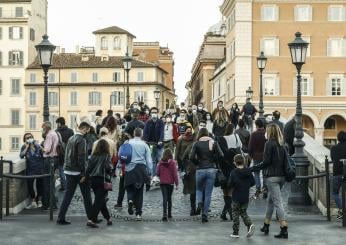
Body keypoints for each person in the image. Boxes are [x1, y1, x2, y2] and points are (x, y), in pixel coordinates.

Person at [253, 124, 288, 239]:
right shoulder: (282, 144)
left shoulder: (269, 143)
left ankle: (284, 229)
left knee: (277, 202)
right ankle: (266, 225)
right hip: (281, 177)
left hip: (272, 177)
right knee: (271, 201)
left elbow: (266, 161)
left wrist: (254, 168)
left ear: (269, 132)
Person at [57, 122, 94, 227]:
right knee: (87, 196)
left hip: (68, 170)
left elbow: (67, 153)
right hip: (78, 172)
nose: (88, 132)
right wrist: (83, 174)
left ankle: (61, 217)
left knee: (68, 196)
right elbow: (81, 158)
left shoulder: (71, 138)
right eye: (87, 130)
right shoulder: (82, 140)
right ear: (85, 129)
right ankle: (91, 218)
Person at [189, 128, 219, 223]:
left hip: (200, 169)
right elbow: (220, 155)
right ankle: (205, 215)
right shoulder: (213, 143)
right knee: (208, 194)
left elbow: (191, 157)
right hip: (211, 169)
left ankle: (199, 203)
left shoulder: (196, 144)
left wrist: (197, 163)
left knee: (199, 189)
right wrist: (213, 160)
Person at [124, 128, 153, 221]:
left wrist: (120, 167)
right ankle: (138, 214)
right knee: (140, 192)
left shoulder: (127, 143)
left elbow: (122, 155)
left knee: (129, 188)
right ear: (141, 134)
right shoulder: (144, 145)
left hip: (129, 169)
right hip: (140, 169)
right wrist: (150, 172)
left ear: (133, 133)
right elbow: (149, 160)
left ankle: (130, 201)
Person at [216, 124, 241, 221]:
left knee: (225, 192)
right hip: (232, 166)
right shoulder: (235, 137)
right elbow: (240, 149)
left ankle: (226, 213)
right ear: (233, 129)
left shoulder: (220, 139)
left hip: (223, 167)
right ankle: (227, 213)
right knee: (230, 193)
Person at [86, 139, 113, 227]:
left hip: (93, 180)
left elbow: (88, 168)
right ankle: (91, 219)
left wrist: (86, 178)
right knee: (98, 200)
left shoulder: (93, 156)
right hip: (103, 180)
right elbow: (108, 168)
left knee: (100, 200)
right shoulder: (106, 155)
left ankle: (108, 218)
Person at [229, 154, 256, 238]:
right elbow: (253, 182)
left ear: (235, 163)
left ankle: (235, 232)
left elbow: (230, 184)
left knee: (235, 214)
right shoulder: (248, 171)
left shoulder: (233, 172)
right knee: (243, 212)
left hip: (236, 196)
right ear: (244, 162)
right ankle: (249, 225)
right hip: (245, 196)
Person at [20, 133, 44, 209]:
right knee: (30, 185)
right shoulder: (24, 147)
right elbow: (21, 156)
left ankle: (39, 201)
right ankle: (33, 201)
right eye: (27, 138)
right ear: (25, 140)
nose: (29, 138)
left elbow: (44, 152)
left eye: (30, 137)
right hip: (30, 169)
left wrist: (38, 145)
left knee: (40, 185)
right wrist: (26, 147)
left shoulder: (37, 145)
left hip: (39, 168)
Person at [156, 149, 179, 221]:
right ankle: (169, 214)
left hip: (163, 183)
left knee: (164, 198)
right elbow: (175, 174)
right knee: (169, 198)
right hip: (170, 183)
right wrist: (177, 184)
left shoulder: (160, 162)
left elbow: (157, 173)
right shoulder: (173, 163)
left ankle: (164, 214)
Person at [41, 121, 59, 210]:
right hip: (54, 159)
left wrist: (41, 149)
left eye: (43, 128)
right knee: (51, 183)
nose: (42, 129)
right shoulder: (55, 133)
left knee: (47, 183)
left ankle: (47, 204)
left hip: (49, 159)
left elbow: (47, 150)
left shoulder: (49, 135)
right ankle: (53, 204)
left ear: (45, 128)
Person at [143, 107, 164, 176]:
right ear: (150, 114)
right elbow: (145, 132)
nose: (154, 114)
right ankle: (153, 175)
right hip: (151, 144)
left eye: (155, 112)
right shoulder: (148, 122)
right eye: (152, 112)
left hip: (159, 144)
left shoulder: (160, 122)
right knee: (153, 160)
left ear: (157, 113)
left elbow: (162, 132)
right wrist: (145, 140)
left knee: (160, 159)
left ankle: (160, 174)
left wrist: (160, 140)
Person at [248, 119, 267, 197]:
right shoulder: (266, 133)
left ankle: (258, 189)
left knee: (256, 173)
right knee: (265, 173)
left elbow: (250, 147)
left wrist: (251, 155)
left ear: (257, 125)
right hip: (266, 156)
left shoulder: (254, 134)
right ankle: (265, 189)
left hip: (256, 156)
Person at [330, 131, 346, 220]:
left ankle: (342, 209)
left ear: (338, 138)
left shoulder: (334, 148)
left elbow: (333, 159)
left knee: (335, 193)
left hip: (337, 173)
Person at [114, 132, 130, 208]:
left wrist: (118, 168)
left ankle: (119, 203)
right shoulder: (132, 145)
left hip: (123, 169)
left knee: (121, 187)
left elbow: (119, 158)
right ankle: (131, 202)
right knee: (131, 187)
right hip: (131, 169)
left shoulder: (122, 146)